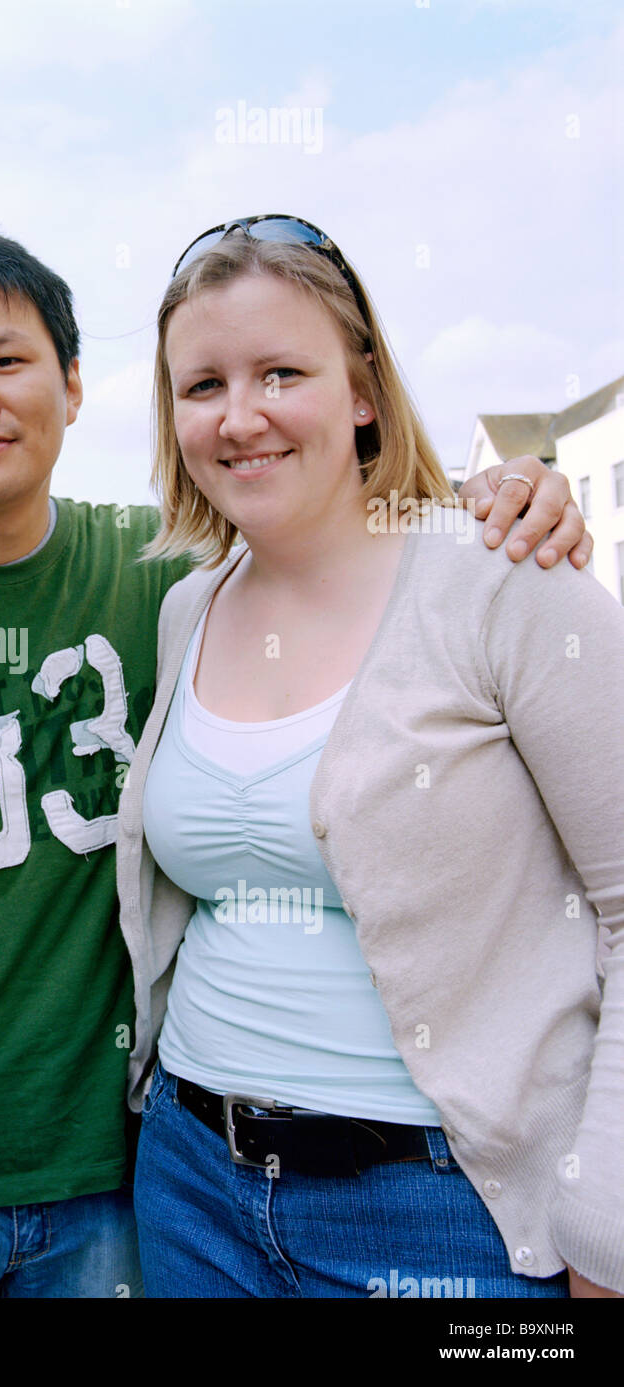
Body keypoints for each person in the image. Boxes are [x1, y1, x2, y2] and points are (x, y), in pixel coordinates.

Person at [0, 220, 587, 1297]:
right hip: (112, 1179)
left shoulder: (180, 574)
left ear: (74, 386)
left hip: (340, 1192)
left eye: (7, 360)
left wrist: (517, 490)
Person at [116, 215, 623, 1298]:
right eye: (201, 385)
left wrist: (604, 1228)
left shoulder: (504, 580)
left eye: (280, 372)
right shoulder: (187, 610)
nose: (238, 415)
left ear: (361, 390)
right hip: (193, 1183)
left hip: (447, 1213)